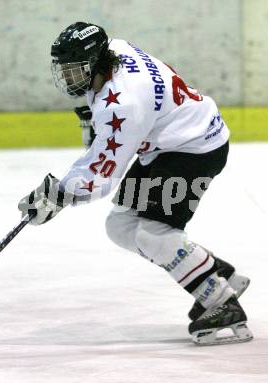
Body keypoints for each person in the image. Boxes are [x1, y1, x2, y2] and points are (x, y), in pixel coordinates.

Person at [18, 22, 253, 346]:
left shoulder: (124, 106)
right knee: (121, 225)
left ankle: (221, 301)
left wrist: (58, 195)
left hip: (194, 150)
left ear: (96, 63)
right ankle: (213, 271)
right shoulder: (116, 49)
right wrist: (90, 114)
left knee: (153, 233)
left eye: (75, 70)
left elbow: (101, 176)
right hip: (169, 144)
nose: (68, 78)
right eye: (65, 70)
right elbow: (105, 130)